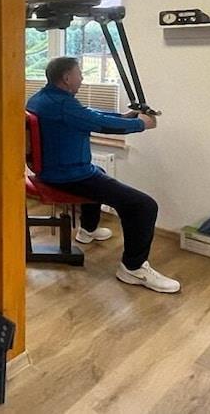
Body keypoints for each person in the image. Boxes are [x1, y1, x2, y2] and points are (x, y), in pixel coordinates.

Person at [26, 56, 180, 293]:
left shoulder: (42, 98)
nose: (82, 78)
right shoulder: (63, 106)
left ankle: (88, 230)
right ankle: (133, 268)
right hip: (67, 176)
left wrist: (124, 116)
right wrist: (142, 124)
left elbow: (88, 114)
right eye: (79, 74)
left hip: (56, 170)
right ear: (66, 78)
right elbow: (99, 124)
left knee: (99, 172)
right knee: (143, 206)